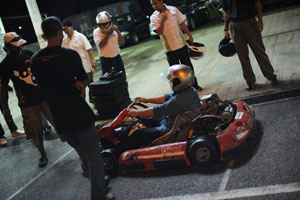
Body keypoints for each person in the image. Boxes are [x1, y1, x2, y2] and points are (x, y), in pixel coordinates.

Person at [30, 16, 115, 200]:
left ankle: (96, 180)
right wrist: (78, 86)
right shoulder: (69, 56)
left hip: (60, 118)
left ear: (44, 36)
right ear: (60, 32)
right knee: (94, 158)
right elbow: (81, 84)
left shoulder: (35, 60)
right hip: (79, 114)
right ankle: (99, 194)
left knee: (83, 155)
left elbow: (42, 89)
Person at [0, 32, 55, 167]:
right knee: (36, 131)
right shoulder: (5, 65)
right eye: (15, 46)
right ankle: (42, 154)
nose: (19, 48)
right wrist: (5, 109)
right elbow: (3, 87)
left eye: (19, 45)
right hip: (26, 102)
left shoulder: (29, 54)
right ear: (7, 47)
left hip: (42, 96)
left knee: (57, 122)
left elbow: (43, 73)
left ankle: (76, 145)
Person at [124, 64, 201, 150]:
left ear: (179, 82)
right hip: (171, 120)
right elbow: (166, 97)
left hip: (167, 130)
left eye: (171, 81)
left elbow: (158, 110)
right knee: (144, 118)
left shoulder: (178, 100)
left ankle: (119, 153)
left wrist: (137, 112)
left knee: (137, 135)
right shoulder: (189, 90)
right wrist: (147, 100)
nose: (169, 83)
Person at [222, 0, 278, 90]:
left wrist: (260, 20)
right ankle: (250, 80)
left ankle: (271, 76)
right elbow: (226, 12)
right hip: (234, 25)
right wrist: (225, 29)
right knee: (242, 55)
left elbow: (257, 3)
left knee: (259, 51)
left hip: (249, 22)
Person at [150, 0, 202, 91]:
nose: (154, 6)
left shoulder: (173, 9)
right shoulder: (154, 17)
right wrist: (162, 20)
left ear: (161, 1)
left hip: (181, 44)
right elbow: (158, 32)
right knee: (175, 72)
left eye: (155, 3)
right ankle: (182, 90)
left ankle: (194, 85)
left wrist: (190, 35)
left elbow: (182, 24)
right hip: (170, 49)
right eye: (152, 4)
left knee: (188, 66)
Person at [62, 20, 97, 103]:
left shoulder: (80, 36)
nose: (66, 31)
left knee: (92, 88)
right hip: (74, 71)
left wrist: (93, 60)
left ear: (72, 27)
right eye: (64, 29)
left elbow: (89, 49)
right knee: (80, 91)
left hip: (86, 68)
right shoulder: (64, 40)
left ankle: (95, 103)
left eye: (67, 28)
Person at [93, 11, 126, 78]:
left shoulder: (113, 30)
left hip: (117, 58)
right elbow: (101, 45)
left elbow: (122, 41)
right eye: (101, 24)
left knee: (122, 78)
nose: (103, 26)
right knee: (109, 82)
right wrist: (109, 34)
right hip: (106, 60)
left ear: (110, 22)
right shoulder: (96, 32)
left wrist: (117, 31)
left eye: (105, 24)